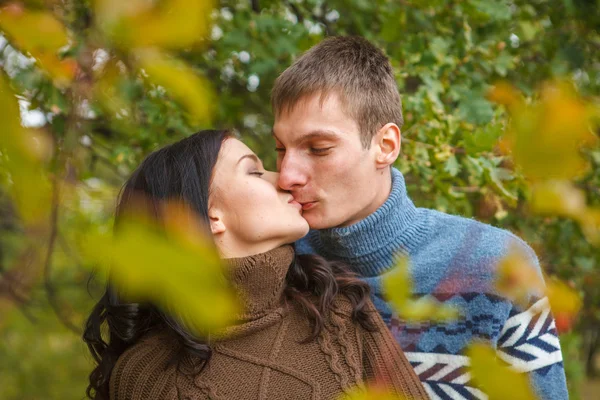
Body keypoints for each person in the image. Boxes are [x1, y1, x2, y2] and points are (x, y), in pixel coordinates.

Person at [271, 36, 568, 399]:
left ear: (386, 146)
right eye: (281, 149)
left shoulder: (499, 265)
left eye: (318, 149)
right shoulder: (276, 266)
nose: (287, 175)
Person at [83, 130, 428, 400]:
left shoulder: (339, 308)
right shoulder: (148, 374)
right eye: (254, 171)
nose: (282, 178)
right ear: (208, 215)